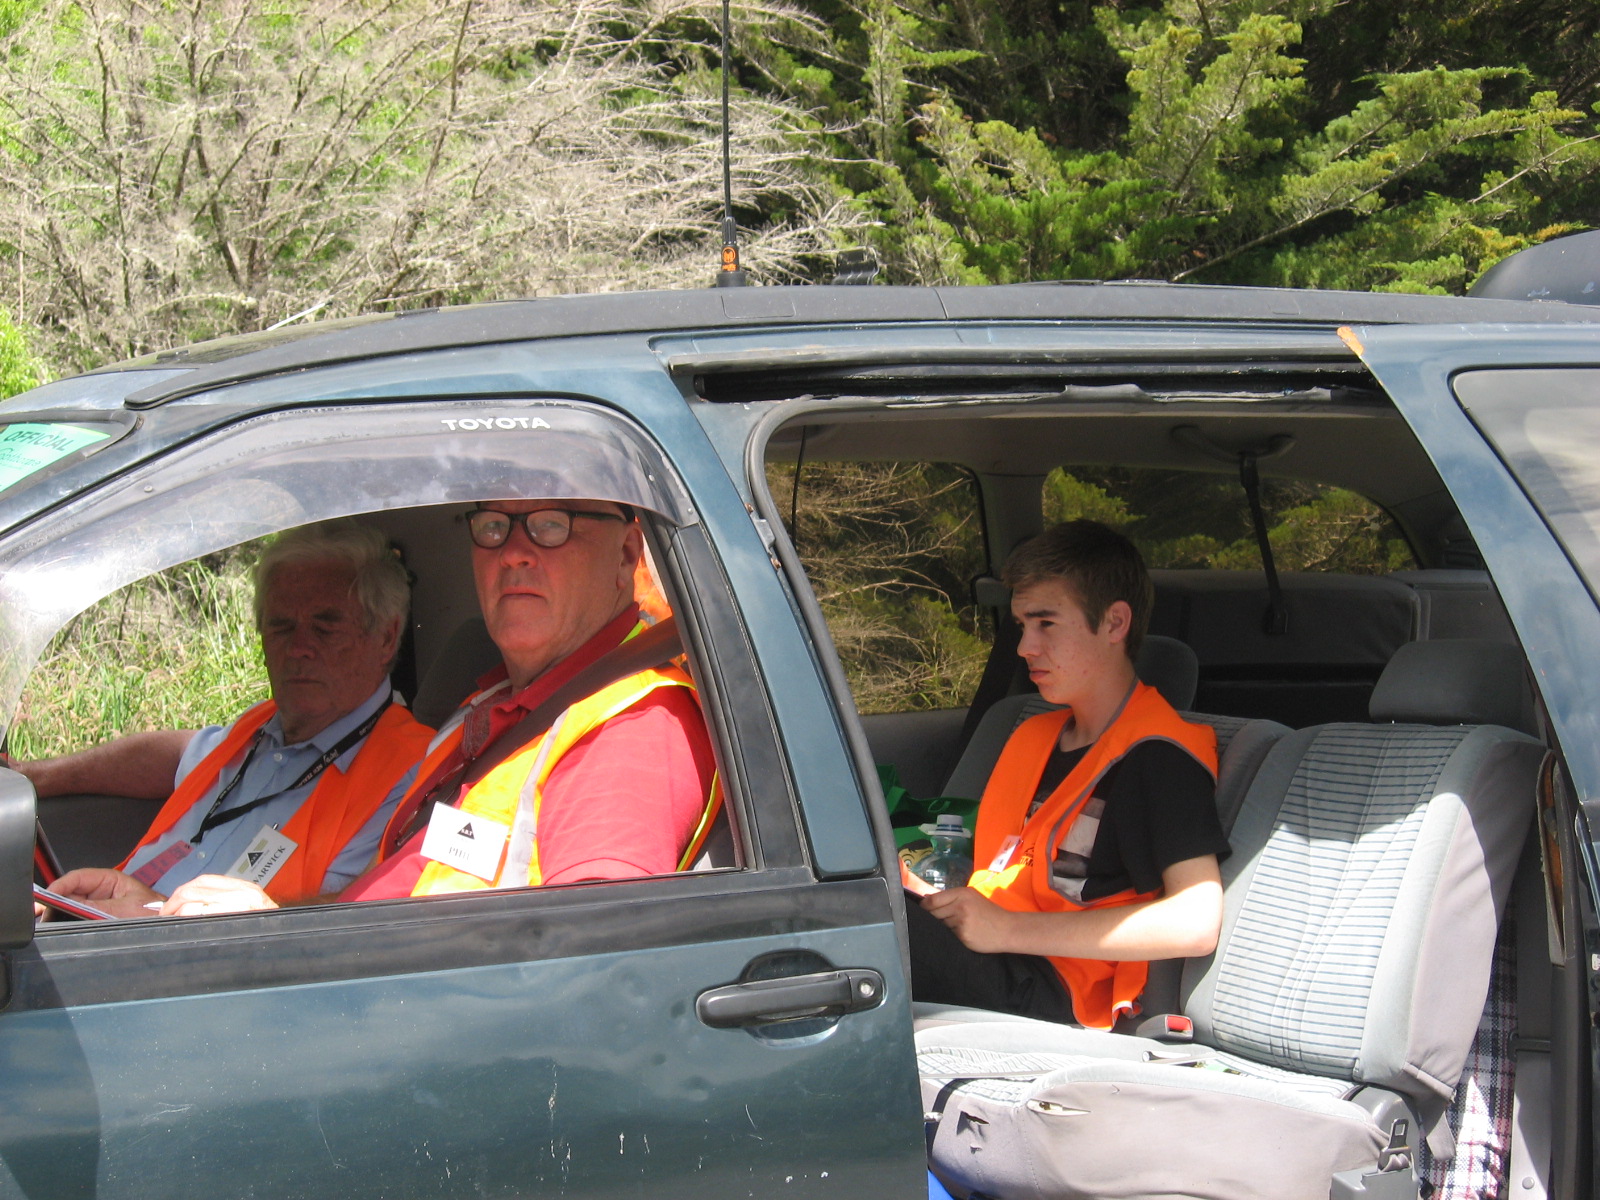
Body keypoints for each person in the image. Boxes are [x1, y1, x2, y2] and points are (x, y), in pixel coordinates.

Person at [159, 498, 719, 915]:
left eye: (552, 524)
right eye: (493, 528)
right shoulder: (493, 708)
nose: (515, 554)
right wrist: (279, 924)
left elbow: (600, 968)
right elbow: (407, 897)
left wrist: (286, 951)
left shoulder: (631, 729)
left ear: (626, 553)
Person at [907, 519, 1229, 1029]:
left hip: (1058, 993)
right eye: (1021, 627)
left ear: (1115, 624)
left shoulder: (1158, 755)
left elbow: (1196, 920)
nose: (1024, 647)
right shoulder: (1033, 735)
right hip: (992, 955)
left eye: (1046, 624)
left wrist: (1009, 931)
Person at [29, 519, 436, 918]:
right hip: (105, 929)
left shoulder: (414, 771)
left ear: (384, 638)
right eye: (281, 627)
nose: (298, 648)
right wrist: (32, 777)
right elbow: (173, 755)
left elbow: (366, 918)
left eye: (324, 629)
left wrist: (257, 918)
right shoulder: (259, 730)